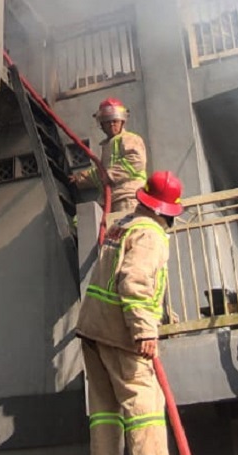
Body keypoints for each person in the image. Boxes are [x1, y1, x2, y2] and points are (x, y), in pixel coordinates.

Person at [75, 170, 185, 455]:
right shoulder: (150, 234)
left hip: (93, 329)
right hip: (120, 333)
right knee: (145, 405)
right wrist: (145, 330)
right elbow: (134, 281)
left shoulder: (123, 225)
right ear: (167, 210)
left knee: (104, 410)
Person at [70, 98, 147, 212]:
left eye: (115, 120)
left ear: (122, 121)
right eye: (107, 121)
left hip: (128, 197)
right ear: (101, 124)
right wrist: (79, 179)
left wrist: (110, 175)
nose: (111, 124)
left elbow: (136, 161)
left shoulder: (130, 138)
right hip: (112, 200)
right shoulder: (108, 145)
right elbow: (101, 173)